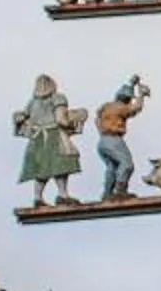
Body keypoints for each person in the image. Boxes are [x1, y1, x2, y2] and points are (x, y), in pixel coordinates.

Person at [14, 75, 81, 208]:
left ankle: (38, 197)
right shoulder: (57, 98)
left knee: (41, 168)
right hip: (53, 135)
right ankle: (63, 195)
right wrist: (74, 123)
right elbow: (61, 119)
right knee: (61, 164)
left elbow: (23, 118)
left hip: (37, 139)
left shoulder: (32, 102)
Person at [95, 76, 149, 201]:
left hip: (103, 141)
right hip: (113, 139)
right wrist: (142, 95)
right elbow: (135, 109)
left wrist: (132, 83)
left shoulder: (106, 107)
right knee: (127, 164)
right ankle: (120, 190)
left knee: (112, 166)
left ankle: (108, 192)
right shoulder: (119, 107)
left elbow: (96, 120)